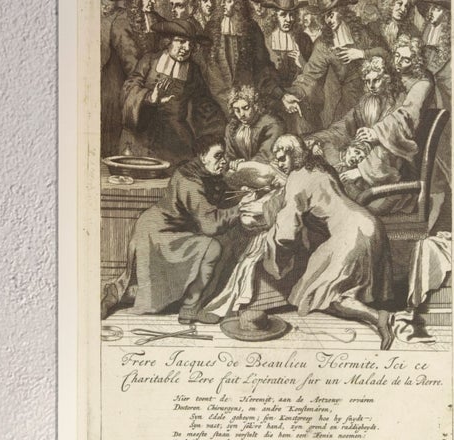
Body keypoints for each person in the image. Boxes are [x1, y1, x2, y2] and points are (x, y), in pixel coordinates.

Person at [205, 134, 394, 348]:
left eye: (283, 159)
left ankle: (379, 318)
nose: (279, 164)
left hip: (350, 235)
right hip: (371, 224)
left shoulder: (296, 178)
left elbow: (286, 232)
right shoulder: (320, 166)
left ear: (294, 156)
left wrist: (273, 253)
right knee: (334, 286)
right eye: (276, 159)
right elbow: (302, 196)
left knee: (320, 295)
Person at [101, 137, 251, 325]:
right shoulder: (190, 181)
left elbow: (218, 194)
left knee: (145, 284)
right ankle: (189, 308)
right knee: (211, 248)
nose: (223, 161)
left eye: (225, 156)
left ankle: (115, 296)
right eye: (218, 156)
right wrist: (240, 208)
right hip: (157, 232)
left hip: (164, 228)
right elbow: (210, 224)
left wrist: (241, 194)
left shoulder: (201, 170)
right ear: (203, 156)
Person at [312, 53, 418, 200]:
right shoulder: (366, 101)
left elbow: (395, 143)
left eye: (376, 80)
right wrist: (317, 139)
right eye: (367, 81)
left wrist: (362, 171)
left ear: (386, 79)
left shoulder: (398, 102)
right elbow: (344, 126)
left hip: (389, 173)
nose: (371, 86)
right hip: (363, 162)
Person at [120, 14, 224, 163]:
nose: (187, 48)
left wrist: (217, 133)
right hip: (141, 136)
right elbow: (128, 88)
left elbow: (205, 105)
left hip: (175, 141)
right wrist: (150, 97)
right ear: (168, 42)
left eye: (191, 44)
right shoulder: (149, 60)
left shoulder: (193, 71)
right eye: (181, 42)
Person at [280, 0, 377, 131]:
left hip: (369, 95)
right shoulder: (324, 44)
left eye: (331, 15)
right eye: (325, 17)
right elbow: (310, 75)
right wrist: (293, 93)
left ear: (341, 11)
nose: (328, 20)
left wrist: (362, 53)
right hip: (342, 101)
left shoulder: (362, 34)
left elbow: (384, 53)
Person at [102, 0, 170, 154]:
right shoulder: (121, 23)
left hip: (148, 82)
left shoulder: (157, 20)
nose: (153, 1)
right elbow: (130, 63)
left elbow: (168, 44)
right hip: (122, 86)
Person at [206, 0, 268, 113]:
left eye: (228, 0)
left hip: (248, 100)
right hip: (217, 101)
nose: (222, 4)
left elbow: (261, 65)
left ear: (239, 5)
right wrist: (228, 101)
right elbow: (209, 71)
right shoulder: (211, 28)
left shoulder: (252, 29)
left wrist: (247, 100)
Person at [223, 83, 283, 166]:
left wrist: (243, 165)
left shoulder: (271, 123)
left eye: (246, 108)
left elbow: (265, 155)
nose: (242, 114)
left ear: (255, 105)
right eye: (237, 110)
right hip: (241, 171)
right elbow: (229, 156)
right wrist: (233, 163)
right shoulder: (232, 127)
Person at [262, 0, 311, 88]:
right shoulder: (265, 40)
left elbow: (314, 74)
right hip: (273, 94)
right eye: (283, 15)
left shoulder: (304, 39)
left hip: (300, 92)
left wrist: (301, 62)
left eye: (291, 15)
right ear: (274, 16)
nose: (288, 19)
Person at [417, 0, 452, 97]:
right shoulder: (427, 28)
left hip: (441, 77)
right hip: (424, 74)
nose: (432, 12)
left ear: (445, 13)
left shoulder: (447, 34)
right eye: (431, 8)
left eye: (437, 9)